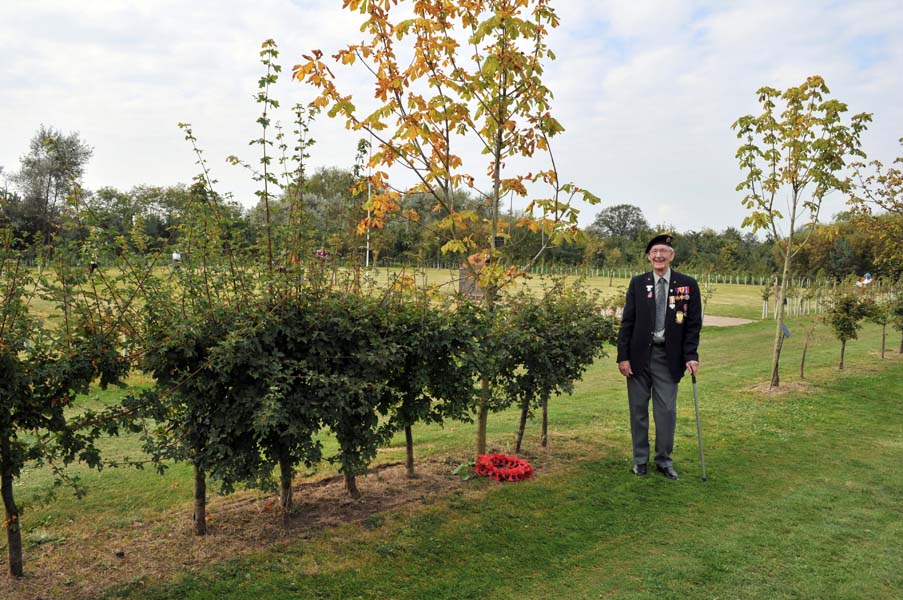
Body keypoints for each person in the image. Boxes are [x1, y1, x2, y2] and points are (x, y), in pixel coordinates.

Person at [616, 234, 701, 480]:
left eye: (663, 251)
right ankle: (640, 461)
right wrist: (623, 357)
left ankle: (664, 460)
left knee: (666, 412)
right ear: (648, 257)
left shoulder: (687, 285)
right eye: (654, 252)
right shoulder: (638, 283)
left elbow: (693, 325)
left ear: (672, 255)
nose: (659, 256)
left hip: (668, 358)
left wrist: (691, 355)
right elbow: (627, 323)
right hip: (638, 358)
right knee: (638, 410)